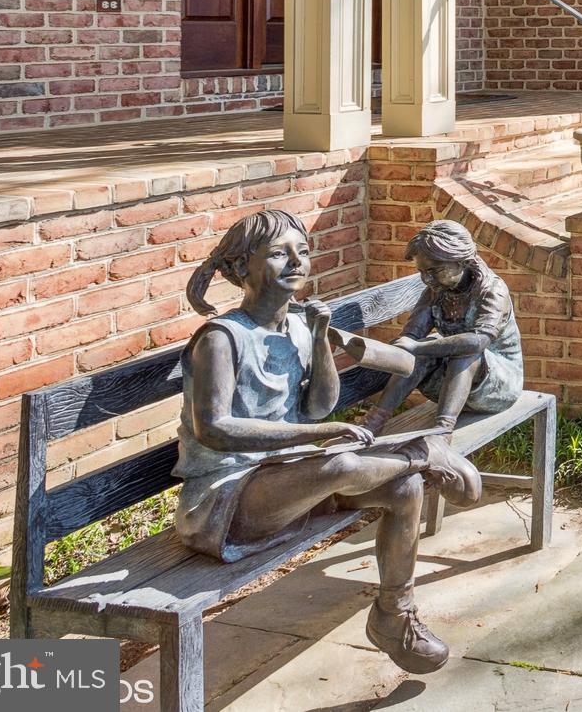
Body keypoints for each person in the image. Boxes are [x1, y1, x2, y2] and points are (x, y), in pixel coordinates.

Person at [174, 210, 481, 673]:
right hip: (226, 499)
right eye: (279, 253)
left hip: (288, 477)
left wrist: (319, 340)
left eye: (303, 251)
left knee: (402, 489)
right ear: (241, 269)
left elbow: (320, 406)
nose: (297, 261)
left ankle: (394, 616)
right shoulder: (221, 338)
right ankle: (419, 454)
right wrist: (319, 435)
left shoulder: (298, 325)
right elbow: (214, 429)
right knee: (340, 466)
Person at [359, 220, 524, 436]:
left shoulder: (492, 291)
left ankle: (441, 433)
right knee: (425, 346)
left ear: (461, 261)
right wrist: (403, 347)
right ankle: (374, 421)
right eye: (422, 272)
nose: (427, 279)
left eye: (435, 271)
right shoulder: (435, 292)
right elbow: (412, 335)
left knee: (466, 352)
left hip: (497, 385)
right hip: (451, 384)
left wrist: (416, 348)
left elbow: (478, 341)